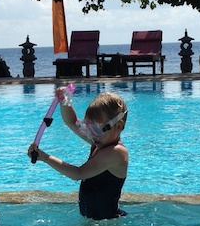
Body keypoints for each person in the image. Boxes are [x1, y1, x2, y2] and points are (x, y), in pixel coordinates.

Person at [28, 89, 129, 219]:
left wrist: (45, 157)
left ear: (118, 127)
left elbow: (78, 174)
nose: (92, 134)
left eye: (96, 129)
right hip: (94, 221)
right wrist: (64, 101)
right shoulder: (99, 141)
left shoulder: (117, 153)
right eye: (88, 128)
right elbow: (72, 122)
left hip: (110, 221)